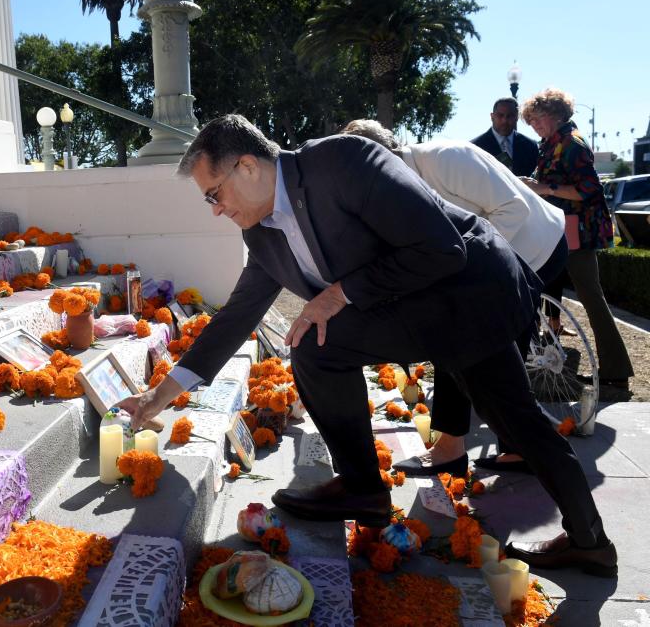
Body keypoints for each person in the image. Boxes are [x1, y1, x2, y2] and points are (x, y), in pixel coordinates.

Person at [117, 114, 616, 577]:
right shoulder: (264, 236)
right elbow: (233, 320)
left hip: (467, 293)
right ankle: (362, 488)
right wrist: (159, 396)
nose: (216, 211)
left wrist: (336, 294)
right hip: (409, 307)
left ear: (246, 166)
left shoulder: (342, 160)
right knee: (314, 344)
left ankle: (590, 541)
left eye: (214, 194)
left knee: (517, 421)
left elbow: (443, 247)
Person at [340, 119, 568, 476]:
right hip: (502, 254)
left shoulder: (446, 158)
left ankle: (457, 449)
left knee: (464, 337)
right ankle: (515, 448)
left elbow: (514, 210)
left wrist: (460, 264)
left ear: (381, 157)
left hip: (539, 247)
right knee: (481, 349)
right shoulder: (401, 183)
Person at [519, 88, 633, 390]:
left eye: (536, 118)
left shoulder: (572, 144)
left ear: (556, 115)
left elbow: (588, 189)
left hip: (576, 232)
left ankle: (616, 370)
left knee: (592, 298)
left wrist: (546, 189)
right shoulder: (553, 144)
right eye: (529, 120)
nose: (532, 124)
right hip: (562, 230)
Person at [472, 97, 539, 177]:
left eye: (510, 116)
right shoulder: (475, 147)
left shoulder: (530, 146)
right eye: (500, 115)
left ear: (517, 117)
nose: (504, 120)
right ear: (492, 117)